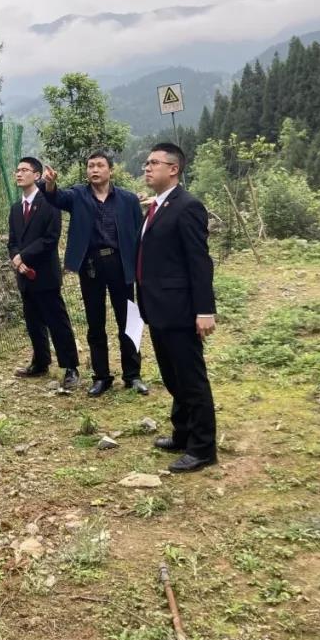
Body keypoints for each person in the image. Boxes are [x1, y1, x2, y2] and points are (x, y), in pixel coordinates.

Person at [137, 142, 218, 473]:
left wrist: (204, 310)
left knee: (191, 379)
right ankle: (182, 433)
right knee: (173, 377)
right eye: (146, 162)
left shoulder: (188, 206)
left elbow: (199, 262)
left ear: (173, 169)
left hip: (180, 309)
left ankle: (203, 448)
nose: (147, 167)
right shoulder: (156, 206)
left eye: (154, 163)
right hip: (158, 307)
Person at [42, 151, 147, 396]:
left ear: (111, 170)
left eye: (100, 165)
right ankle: (101, 377)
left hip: (121, 263)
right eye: (91, 166)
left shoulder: (128, 199)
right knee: (95, 322)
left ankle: (132, 375)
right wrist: (50, 184)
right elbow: (56, 198)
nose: (95, 170)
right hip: (91, 265)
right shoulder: (78, 195)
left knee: (128, 320)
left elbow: (138, 233)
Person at [8, 156, 80, 391]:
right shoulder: (16, 208)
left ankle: (70, 367)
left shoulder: (49, 203)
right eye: (17, 170)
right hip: (24, 275)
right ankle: (40, 362)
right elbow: (12, 241)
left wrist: (23, 256)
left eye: (24, 170)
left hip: (45, 274)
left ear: (37, 175)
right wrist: (17, 259)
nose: (19, 174)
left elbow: (50, 239)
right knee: (33, 321)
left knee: (57, 321)